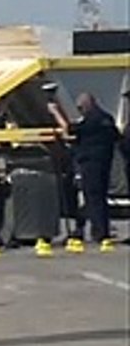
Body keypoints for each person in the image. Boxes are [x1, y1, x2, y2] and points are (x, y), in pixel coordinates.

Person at [49, 91, 120, 251]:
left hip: (90, 164)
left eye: (80, 108)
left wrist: (55, 113)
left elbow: (69, 130)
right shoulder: (107, 118)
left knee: (92, 198)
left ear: (87, 105)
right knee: (100, 198)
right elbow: (116, 137)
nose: (80, 110)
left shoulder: (90, 121)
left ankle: (100, 233)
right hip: (105, 162)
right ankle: (100, 230)